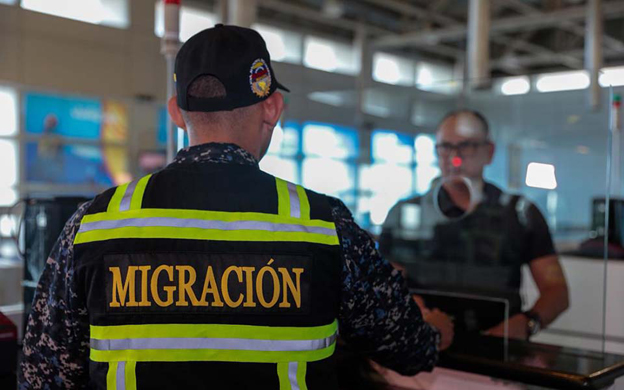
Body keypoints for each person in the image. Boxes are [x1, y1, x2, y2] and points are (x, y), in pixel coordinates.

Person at [19, 25, 453, 390]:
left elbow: (43, 375)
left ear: (176, 112)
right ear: (272, 108)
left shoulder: (95, 225)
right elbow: (405, 345)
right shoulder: (323, 227)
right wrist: (436, 331)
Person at [380, 110, 569, 340]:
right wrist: (409, 307)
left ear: (488, 152)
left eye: (467, 146)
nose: (455, 157)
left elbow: (556, 291)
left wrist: (528, 323)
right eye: (446, 147)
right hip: (423, 345)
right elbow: (384, 285)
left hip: (495, 347)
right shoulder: (406, 213)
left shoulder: (519, 214)